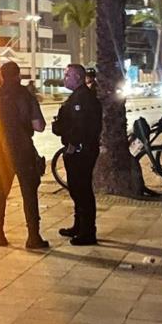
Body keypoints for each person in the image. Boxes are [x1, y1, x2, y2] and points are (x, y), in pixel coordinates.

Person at [0, 61, 49, 249]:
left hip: (1, 153)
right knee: (29, 194)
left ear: (2, 77)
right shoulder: (26, 96)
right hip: (23, 151)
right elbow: (38, 126)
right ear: (18, 76)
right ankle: (33, 237)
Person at [52, 63, 102, 245]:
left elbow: (81, 127)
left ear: (78, 78)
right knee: (76, 189)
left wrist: (72, 142)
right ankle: (79, 226)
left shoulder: (83, 99)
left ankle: (88, 232)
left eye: (68, 75)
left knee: (82, 190)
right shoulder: (78, 97)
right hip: (78, 149)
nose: (65, 78)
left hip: (81, 151)